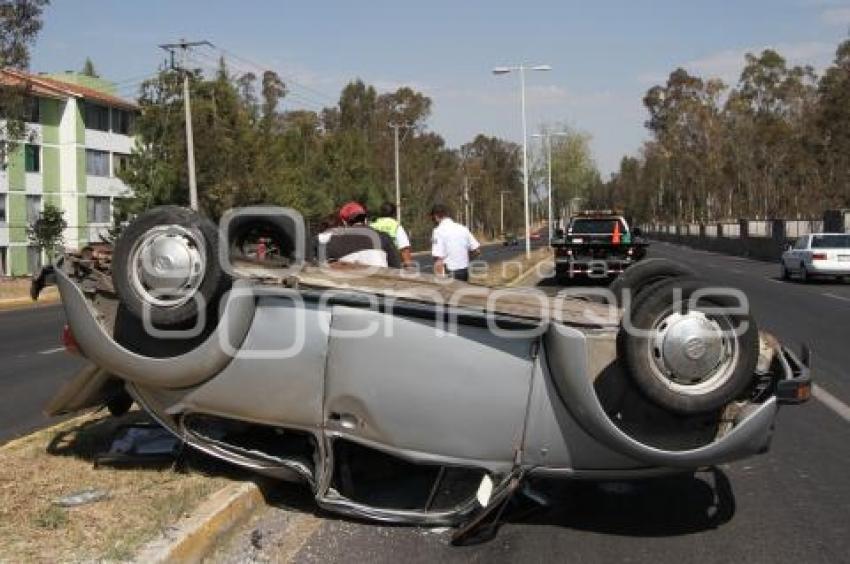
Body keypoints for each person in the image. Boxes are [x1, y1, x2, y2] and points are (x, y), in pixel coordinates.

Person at [321, 201, 400, 268]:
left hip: (348, 284)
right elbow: (396, 267)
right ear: (365, 219)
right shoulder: (384, 237)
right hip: (382, 283)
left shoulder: (334, 241)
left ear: (344, 222)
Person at [430, 203, 480, 281]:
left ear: (435, 216)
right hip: (464, 272)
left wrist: (439, 280)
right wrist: (464, 260)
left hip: (449, 273)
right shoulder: (463, 228)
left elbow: (438, 258)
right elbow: (477, 251)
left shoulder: (437, 231)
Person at [370, 202, 414, 267]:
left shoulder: (372, 225)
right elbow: (404, 249)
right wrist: (409, 268)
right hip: (391, 266)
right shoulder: (396, 226)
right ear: (394, 214)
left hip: (373, 265)